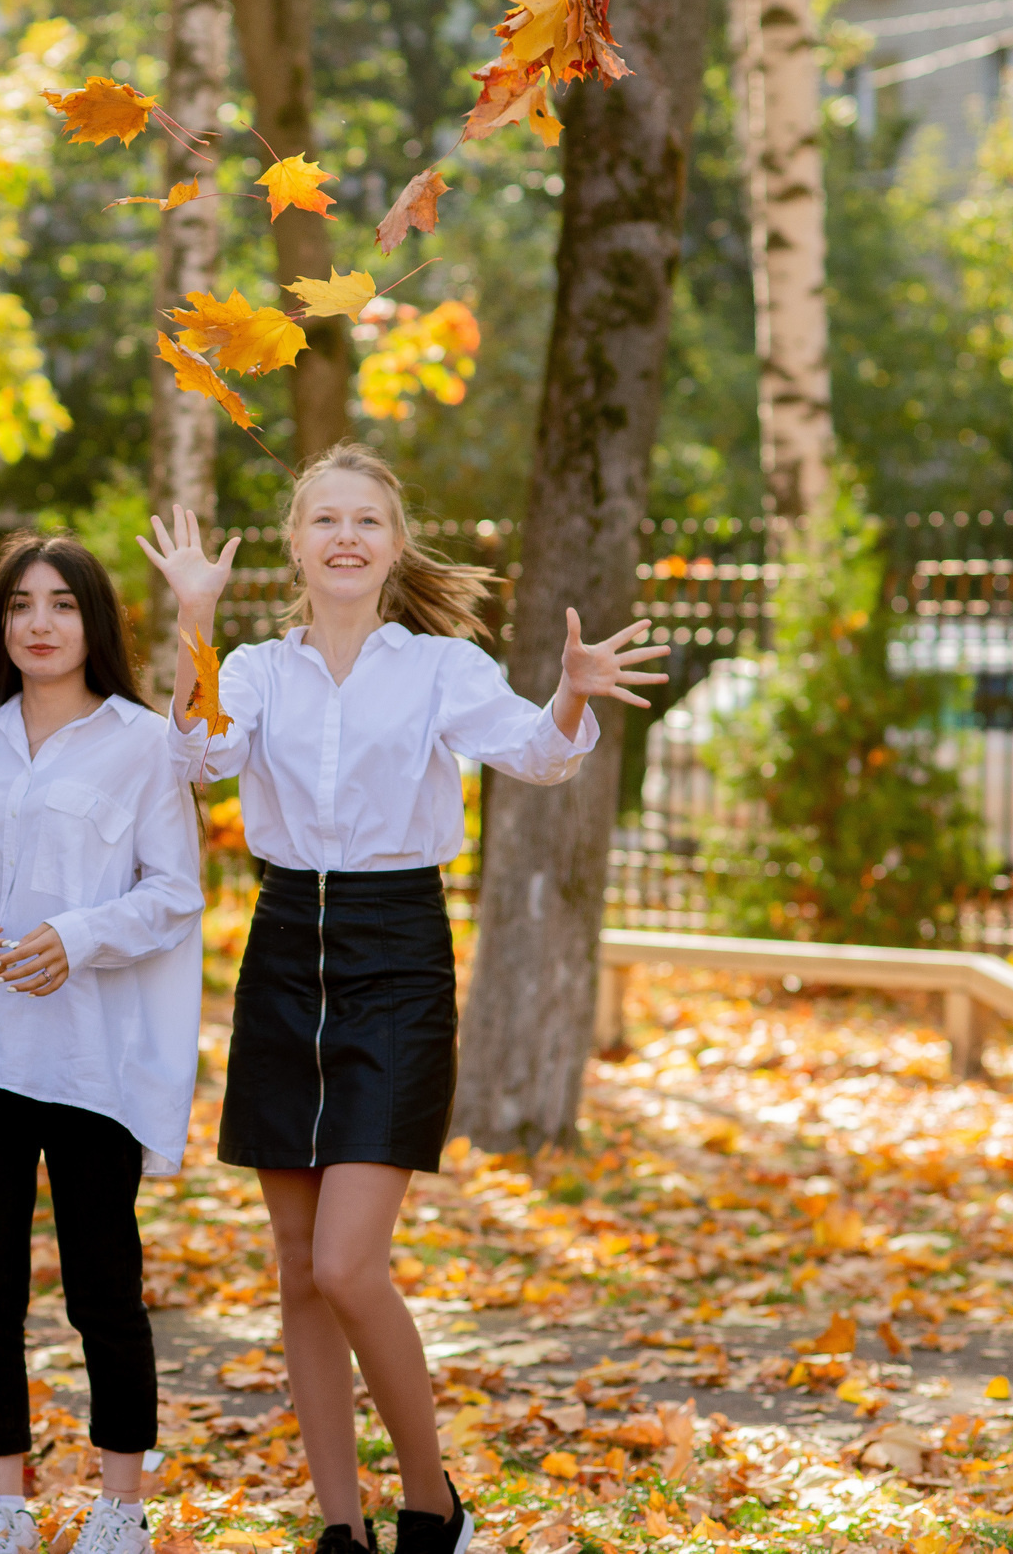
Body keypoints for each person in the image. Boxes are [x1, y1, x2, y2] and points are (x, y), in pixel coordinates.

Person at [138, 444, 666, 1554]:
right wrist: (193, 621)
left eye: (364, 520)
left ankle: (431, 1502)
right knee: (294, 1270)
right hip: (285, 949)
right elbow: (198, 756)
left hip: (398, 954)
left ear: (393, 541)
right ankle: (341, 1524)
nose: (343, 535)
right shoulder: (253, 666)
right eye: (322, 518)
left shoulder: (438, 666)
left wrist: (568, 693)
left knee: (346, 1263)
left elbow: (536, 755)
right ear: (293, 542)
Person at [0, 536, 204, 1554]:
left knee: (101, 1285)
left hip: (91, 1056)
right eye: (20, 604)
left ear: (94, 623)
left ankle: (120, 1503)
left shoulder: (142, 744)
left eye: (62, 604)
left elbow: (173, 891)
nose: (39, 621)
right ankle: (4, 1496)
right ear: (0, 625)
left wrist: (74, 938)